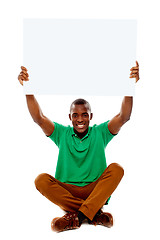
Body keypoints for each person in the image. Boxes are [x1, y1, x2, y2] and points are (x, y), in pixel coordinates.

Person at [18, 61, 139, 232]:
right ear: (70, 117)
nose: (80, 119)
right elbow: (39, 118)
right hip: (67, 191)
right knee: (41, 180)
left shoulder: (100, 132)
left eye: (84, 115)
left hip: (94, 189)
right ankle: (94, 213)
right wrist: (27, 89)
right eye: (75, 115)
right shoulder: (61, 133)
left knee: (117, 169)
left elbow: (123, 117)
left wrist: (129, 88)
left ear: (91, 116)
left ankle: (77, 217)